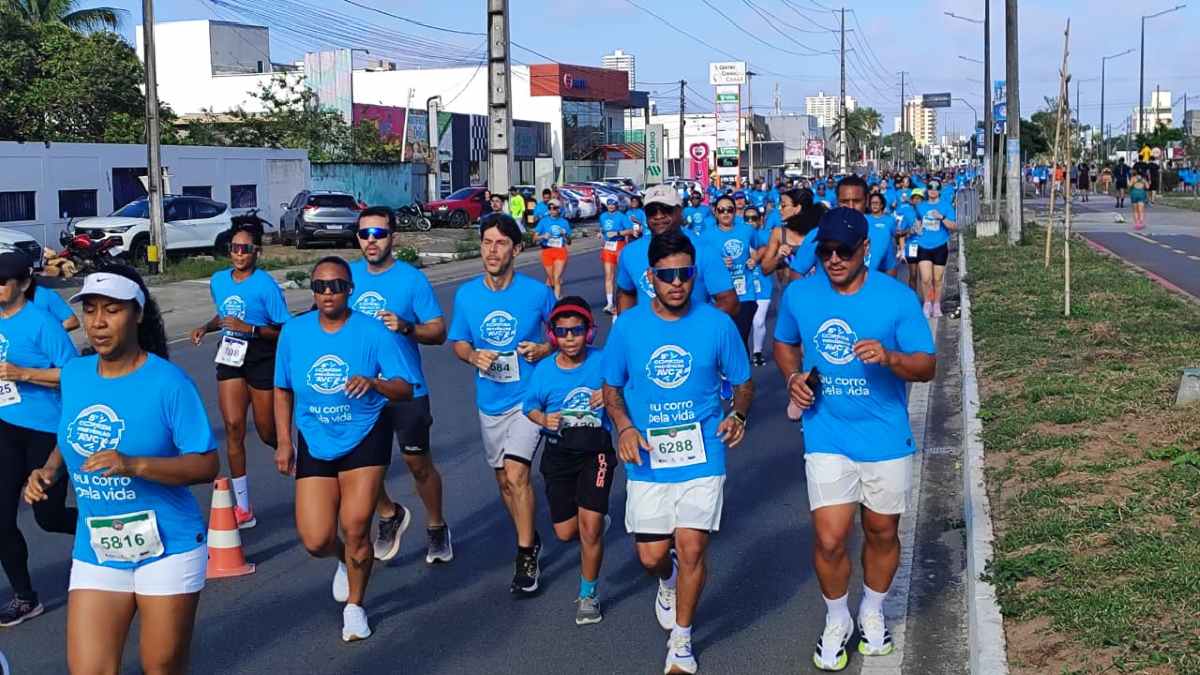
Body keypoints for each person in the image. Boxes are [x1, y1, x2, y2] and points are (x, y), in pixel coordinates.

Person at [24, 265, 219, 673]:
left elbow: (206, 465)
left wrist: (136, 465)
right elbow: (70, 435)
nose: (98, 322)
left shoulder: (169, 382)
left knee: (161, 665)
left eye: (111, 310)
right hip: (99, 546)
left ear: (138, 314)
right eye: (91, 310)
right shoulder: (76, 375)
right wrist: (48, 471)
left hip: (169, 545)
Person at [773, 207, 935, 672]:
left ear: (866, 249)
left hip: (884, 437)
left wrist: (890, 358)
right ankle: (838, 618)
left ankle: (872, 611)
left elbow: (927, 366)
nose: (834, 260)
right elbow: (785, 343)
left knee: (882, 531)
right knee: (829, 538)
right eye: (826, 251)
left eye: (844, 251)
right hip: (826, 434)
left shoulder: (896, 298)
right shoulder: (802, 295)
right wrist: (791, 378)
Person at [603, 230, 753, 675]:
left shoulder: (717, 324)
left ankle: (682, 643)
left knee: (691, 547)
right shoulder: (628, 327)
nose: (676, 283)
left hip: (703, 453)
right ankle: (666, 581)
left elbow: (743, 381)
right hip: (648, 459)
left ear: (694, 275)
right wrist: (625, 427)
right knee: (652, 556)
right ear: (651, 277)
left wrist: (738, 415)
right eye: (667, 275)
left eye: (685, 274)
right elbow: (611, 389)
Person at [273, 256, 417, 642]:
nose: (327, 293)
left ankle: (355, 606)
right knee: (316, 538)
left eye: (336, 285)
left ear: (349, 289)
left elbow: (405, 387)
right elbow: (282, 387)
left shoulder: (372, 332)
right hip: (315, 437)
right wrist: (285, 441)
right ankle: (345, 561)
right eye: (320, 286)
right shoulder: (294, 332)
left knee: (355, 526)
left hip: (365, 432)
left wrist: (375, 383)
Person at [449, 213, 555, 594]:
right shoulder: (467, 295)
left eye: (500, 243)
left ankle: (526, 553)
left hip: (528, 399)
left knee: (516, 475)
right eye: (487, 242)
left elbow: (566, 332)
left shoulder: (537, 293)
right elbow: (459, 340)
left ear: (517, 249)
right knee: (504, 482)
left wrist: (544, 347)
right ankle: (529, 534)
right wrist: (472, 356)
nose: (492, 251)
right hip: (490, 400)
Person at [349, 207, 452, 565]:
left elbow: (438, 332)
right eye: (364, 234)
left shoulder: (411, 280)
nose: (371, 241)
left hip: (407, 388)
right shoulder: (347, 278)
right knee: (362, 465)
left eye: (379, 234)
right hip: (363, 390)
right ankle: (389, 514)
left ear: (393, 236)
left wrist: (407, 326)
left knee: (417, 464)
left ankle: (436, 526)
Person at [190, 226, 290, 528]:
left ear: (256, 251)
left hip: (261, 355)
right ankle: (243, 507)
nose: (239, 254)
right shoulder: (219, 280)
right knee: (233, 426)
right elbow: (225, 315)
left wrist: (252, 330)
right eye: (234, 248)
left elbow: (285, 329)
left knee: (266, 432)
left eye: (245, 249)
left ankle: (298, 459)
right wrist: (206, 327)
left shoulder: (266, 286)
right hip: (231, 355)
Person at [523, 296, 612, 625]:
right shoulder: (544, 370)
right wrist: (542, 420)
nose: (570, 337)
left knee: (589, 529)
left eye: (577, 330)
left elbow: (629, 385)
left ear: (589, 332)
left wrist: (610, 393)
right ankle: (595, 523)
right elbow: (529, 406)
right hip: (559, 454)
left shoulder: (604, 361)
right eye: (563, 332)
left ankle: (588, 594)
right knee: (565, 532)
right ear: (553, 336)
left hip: (596, 452)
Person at [0, 252, 78, 627]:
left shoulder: (42, 324)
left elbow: (73, 375)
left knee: (47, 517)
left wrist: (24, 373)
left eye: (2, 281)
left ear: (23, 285)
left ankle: (107, 528)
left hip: (47, 430)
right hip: (6, 427)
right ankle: (25, 597)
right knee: (1, 519)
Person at [615, 185, 738, 319]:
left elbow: (729, 302)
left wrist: (692, 329)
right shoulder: (630, 252)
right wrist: (628, 330)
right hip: (647, 338)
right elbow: (626, 294)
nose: (659, 216)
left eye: (666, 210)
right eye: (652, 211)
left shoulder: (704, 250)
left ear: (680, 212)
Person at [704, 196, 758, 351]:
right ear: (715, 212)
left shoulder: (747, 230)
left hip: (745, 295)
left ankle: (743, 374)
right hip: (720, 296)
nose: (725, 213)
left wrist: (754, 258)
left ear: (735, 212)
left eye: (730, 209)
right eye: (721, 210)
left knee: (741, 339)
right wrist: (718, 262)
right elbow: (701, 262)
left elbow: (760, 248)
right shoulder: (707, 236)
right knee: (723, 340)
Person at [909, 185, 957, 318]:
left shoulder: (946, 206)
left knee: (937, 279)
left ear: (939, 191)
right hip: (923, 245)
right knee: (925, 279)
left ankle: (936, 304)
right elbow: (916, 221)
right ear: (927, 190)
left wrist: (941, 217)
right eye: (930, 187)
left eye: (936, 187)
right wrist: (916, 227)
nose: (933, 189)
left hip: (940, 246)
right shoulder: (920, 206)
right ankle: (927, 303)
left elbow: (954, 226)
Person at [747, 205, 774, 367]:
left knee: (758, 322)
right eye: (747, 219)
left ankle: (757, 352)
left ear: (761, 220)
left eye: (754, 218)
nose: (750, 222)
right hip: (742, 285)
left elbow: (768, 250)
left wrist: (756, 257)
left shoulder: (766, 235)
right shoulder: (738, 235)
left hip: (763, 285)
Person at [599, 199, 635, 314]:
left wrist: (617, 233)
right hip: (608, 247)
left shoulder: (622, 216)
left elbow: (630, 230)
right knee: (609, 275)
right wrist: (601, 235)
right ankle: (609, 303)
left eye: (613, 204)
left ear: (616, 205)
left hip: (619, 246)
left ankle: (625, 299)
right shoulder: (603, 216)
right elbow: (602, 228)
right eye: (609, 204)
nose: (610, 206)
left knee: (622, 275)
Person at [535, 199, 573, 299]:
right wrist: (543, 236)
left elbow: (569, 241)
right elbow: (534, 238)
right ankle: (555, 296)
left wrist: (564, 234)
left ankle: (555, 302)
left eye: (555, 208)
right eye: (550, 208)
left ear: (559, 209)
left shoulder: (564, 222)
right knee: (551, 279)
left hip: (560, 251)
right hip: (547, 251)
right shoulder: (543, 221)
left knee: (556, 278)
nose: (552, 210)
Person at [865, 193, 901, 278]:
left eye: (877, 203)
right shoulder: (865, 219)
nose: (874, 205)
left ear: (881, 205)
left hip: (889, 259)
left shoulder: (890, 220)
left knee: (890, 287)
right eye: (872, 203)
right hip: (871, 259)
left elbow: (896, 235)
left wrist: (900, 250)